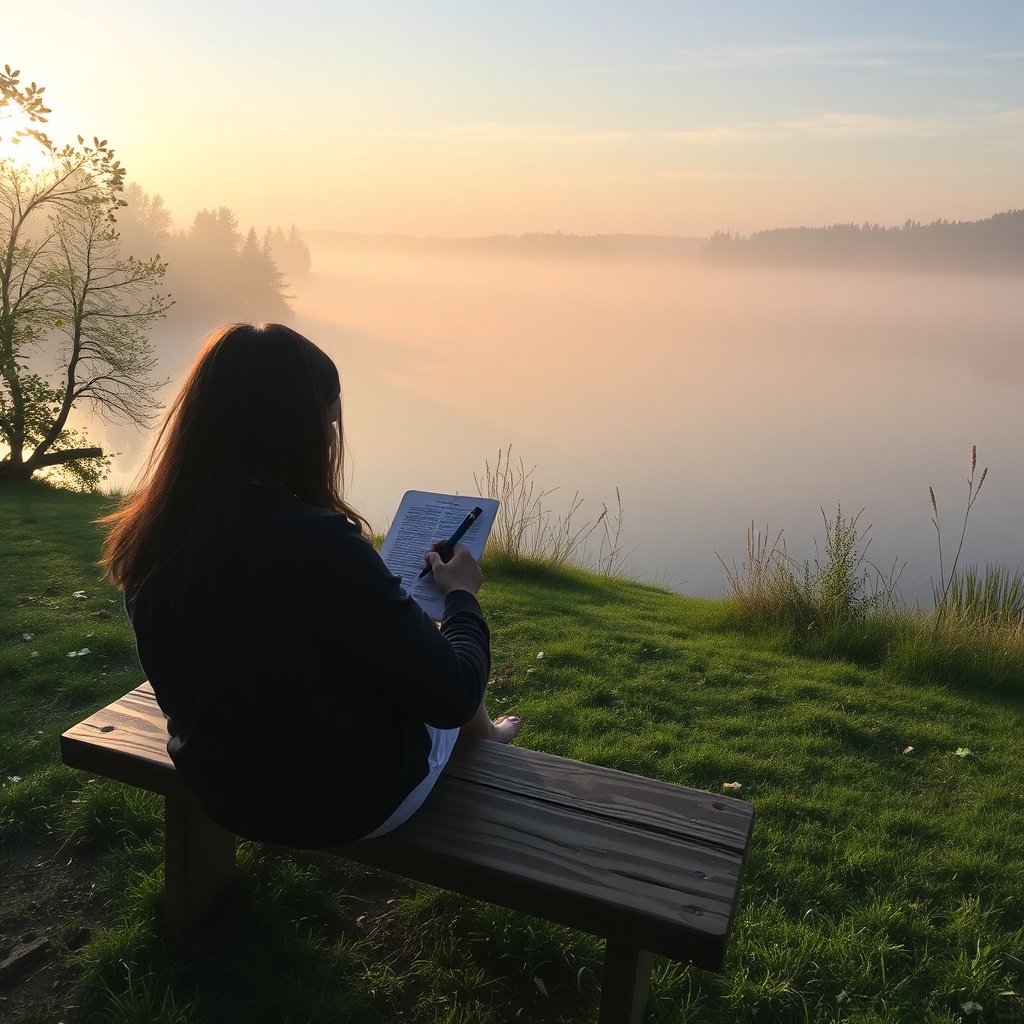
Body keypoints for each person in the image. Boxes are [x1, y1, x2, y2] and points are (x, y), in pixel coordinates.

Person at [101, 322, 520, 848]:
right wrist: (460, 595)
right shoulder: (321, 545)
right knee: (444, 666)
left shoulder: (155, 530)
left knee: (401, 652)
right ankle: (487, 742)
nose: (331, 435)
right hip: (348, 805)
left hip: (223, 784)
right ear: (302, 427)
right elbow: (452, 697)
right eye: (330, 417)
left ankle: (485, 737)